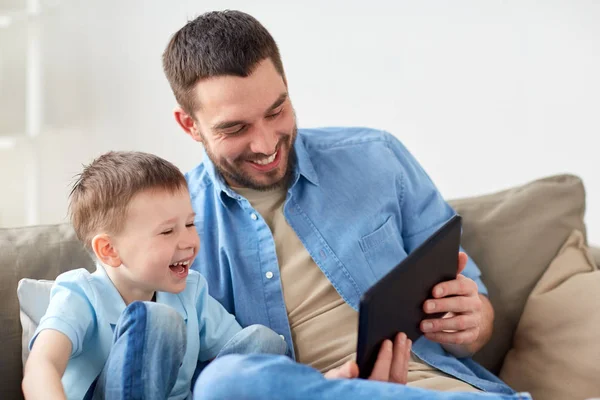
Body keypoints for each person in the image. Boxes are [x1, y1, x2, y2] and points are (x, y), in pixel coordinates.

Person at [162, 10, 531, 400]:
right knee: (221, 383)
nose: (266, 144)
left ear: (286, 86)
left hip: (436, 390)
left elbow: (474, 312)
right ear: (189, 125)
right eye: (235, 128)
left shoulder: (377, 158)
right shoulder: (169, 226)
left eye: (277, 111)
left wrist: (474, 321)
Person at [21, 151, 287, 400]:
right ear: (110, 250)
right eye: (167, 231)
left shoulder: (190, 292)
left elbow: (238, 355)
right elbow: (41, 366)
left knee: (262, 342)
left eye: (189, 224)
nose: (188, 241)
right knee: (157, 319)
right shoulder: (80, 293)